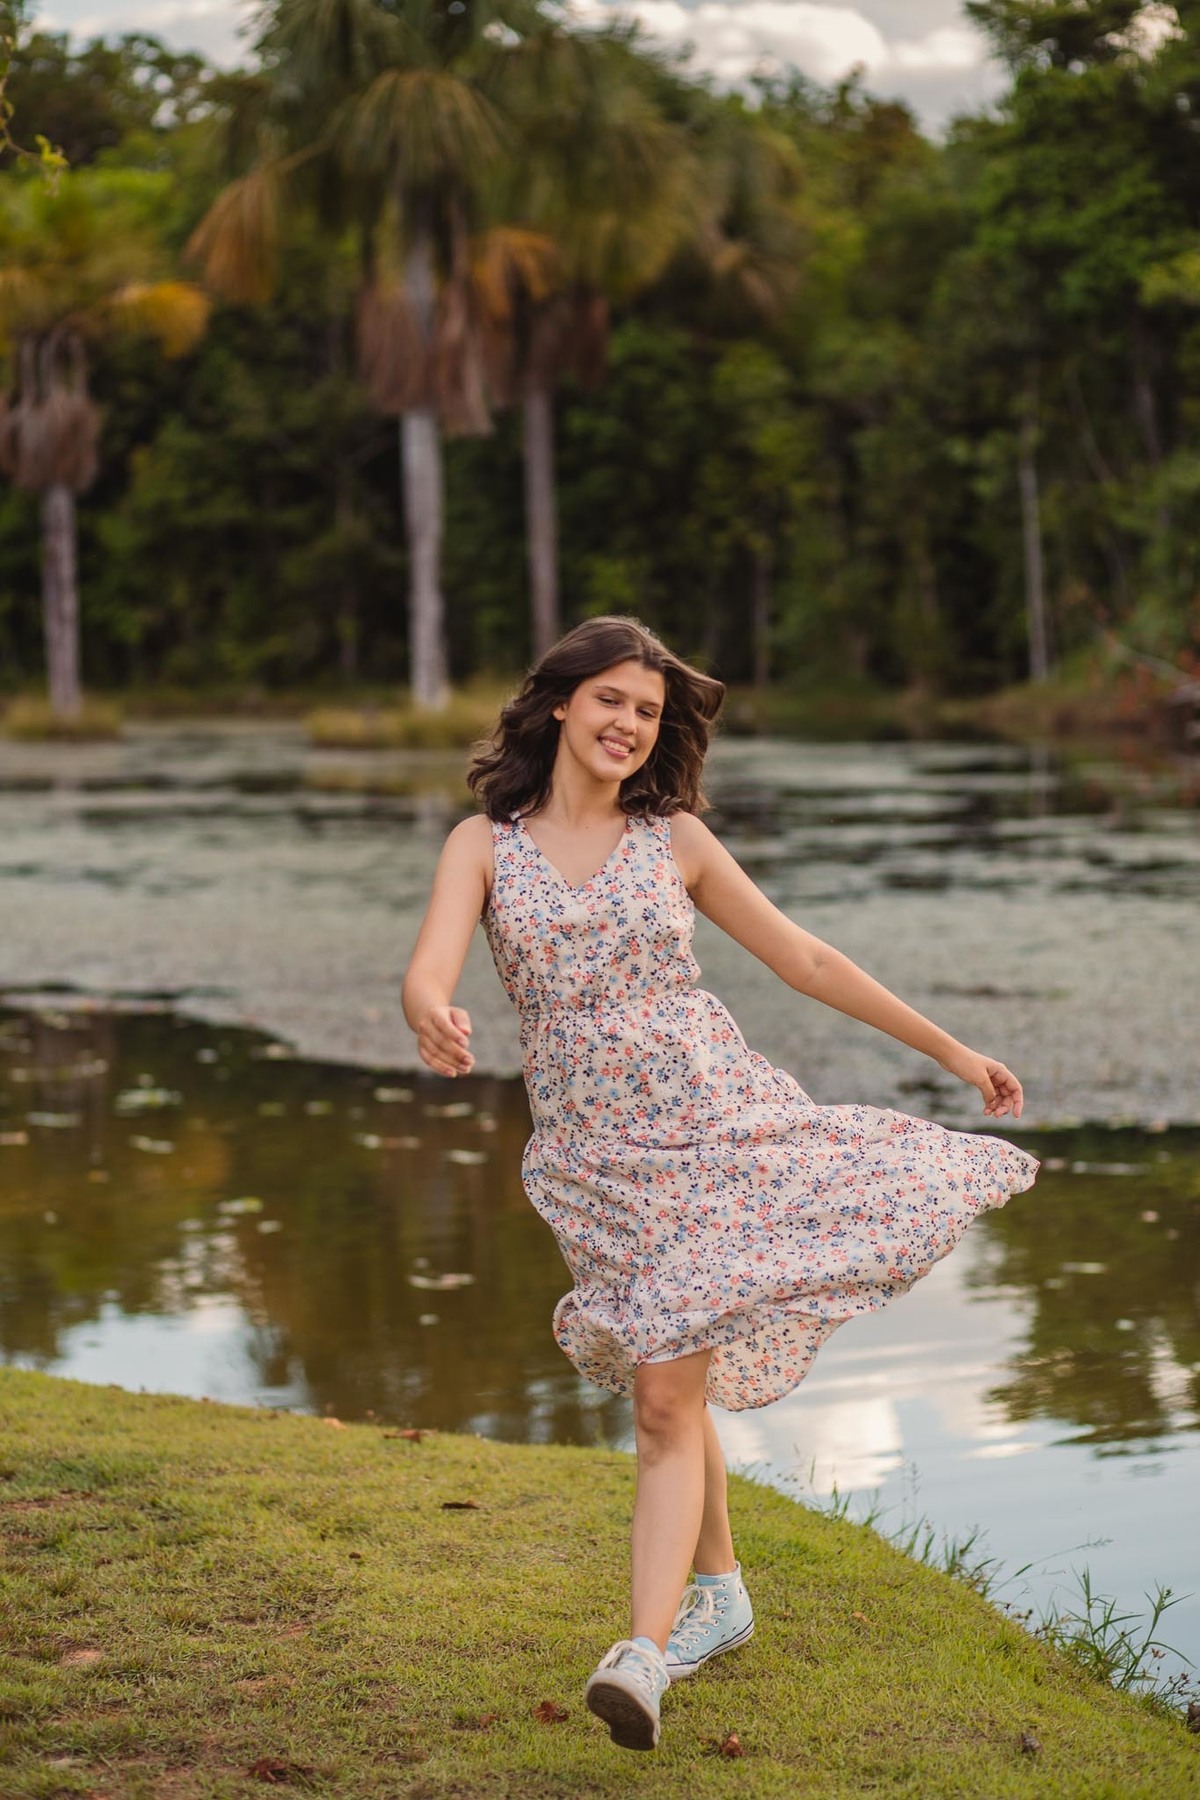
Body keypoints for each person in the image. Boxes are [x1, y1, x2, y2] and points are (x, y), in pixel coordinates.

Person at [401, 615, 1039, 1753]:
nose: (629, 725)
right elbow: (430, 964)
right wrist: (429, 1011)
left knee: (660, 1396)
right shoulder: (482, 846)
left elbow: (804, 958)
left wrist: (952, 1052)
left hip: (715, 1132)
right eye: (611, 701)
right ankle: (723, 1592)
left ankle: (642, 1655)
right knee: (672, 1387)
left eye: (647, 712)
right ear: (560, 704)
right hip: (593, 1164)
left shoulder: (676, 838)